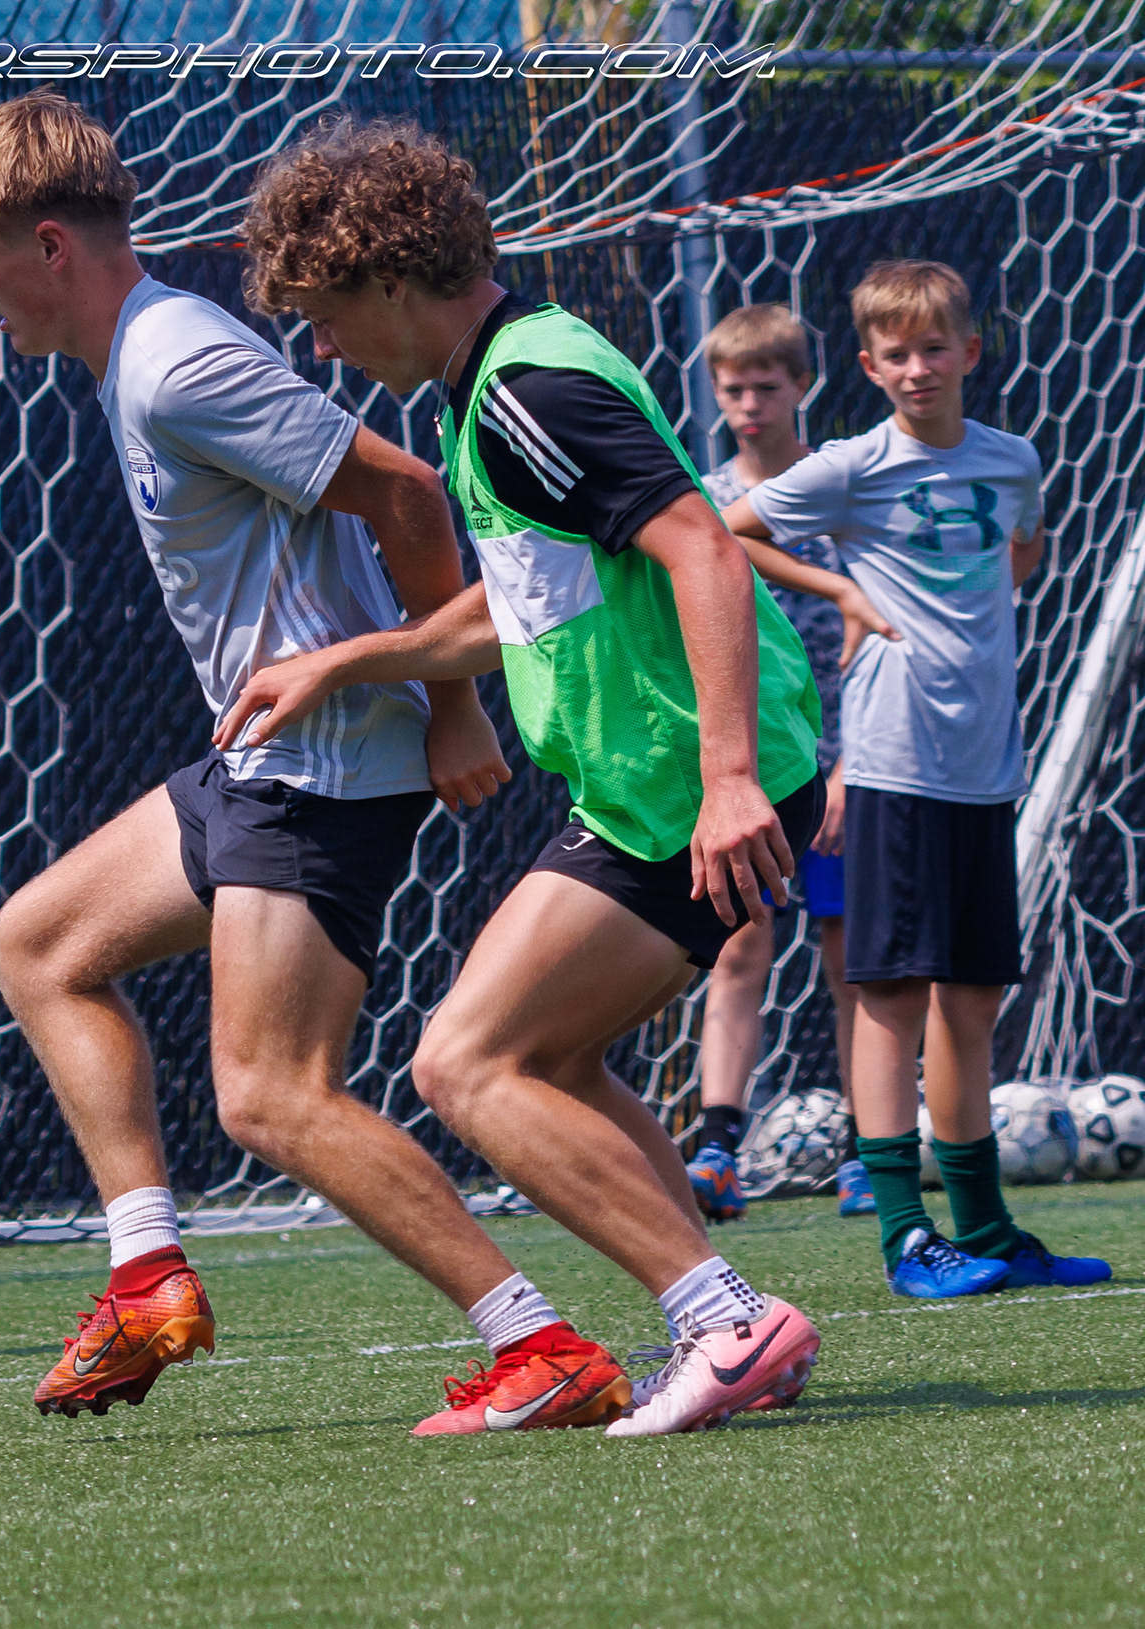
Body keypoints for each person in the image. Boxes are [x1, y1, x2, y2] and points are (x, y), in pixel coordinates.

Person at [0, 93, 635, 1436]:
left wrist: (451, 705)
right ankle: (147, 1277)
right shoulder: (141, 355)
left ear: (52, 245)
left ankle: (539, 1345)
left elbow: (408, 490)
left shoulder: (173, 363)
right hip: (265, 754)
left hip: (324, 764)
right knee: (40, 944)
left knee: (270, 1095)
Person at [229, 119, 824, 1436]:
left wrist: (728, 778)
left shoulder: (527, 392)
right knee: (545, 1055)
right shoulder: (489, 383)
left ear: (393, 282)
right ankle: (733, 1321)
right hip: (651, 784)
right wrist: (349, 662)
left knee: (466, 1062)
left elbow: (705, 553)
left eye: (326, 315)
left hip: (684, 787)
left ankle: (727, 1322)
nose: (325, 348)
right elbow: (526, 601)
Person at [722, 260, 1111, 1298]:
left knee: (973, 1000)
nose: (918, 368)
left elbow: (1020, 554)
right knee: (891, 996)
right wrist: (842, 589)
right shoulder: (851, 468)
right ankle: (906, 1238)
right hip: (893, 764)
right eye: (896, 354)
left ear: (970, 352)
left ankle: (986, 1228)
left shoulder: (1012, 460)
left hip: (986, 768)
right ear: (868, 366)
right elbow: (728, 535)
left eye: (935, 348)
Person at [685, 305, 874, 1223]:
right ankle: (717, 1146)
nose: (750, 403)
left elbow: (873, 634)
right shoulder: (701, 497)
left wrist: (848, 767)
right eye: (734, 388)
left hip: (836, 763)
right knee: (739, 947)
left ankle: (871, 1150)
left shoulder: (839, 491)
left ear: (804, 384)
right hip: (747, 766)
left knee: (853, 960)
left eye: (767, 385)